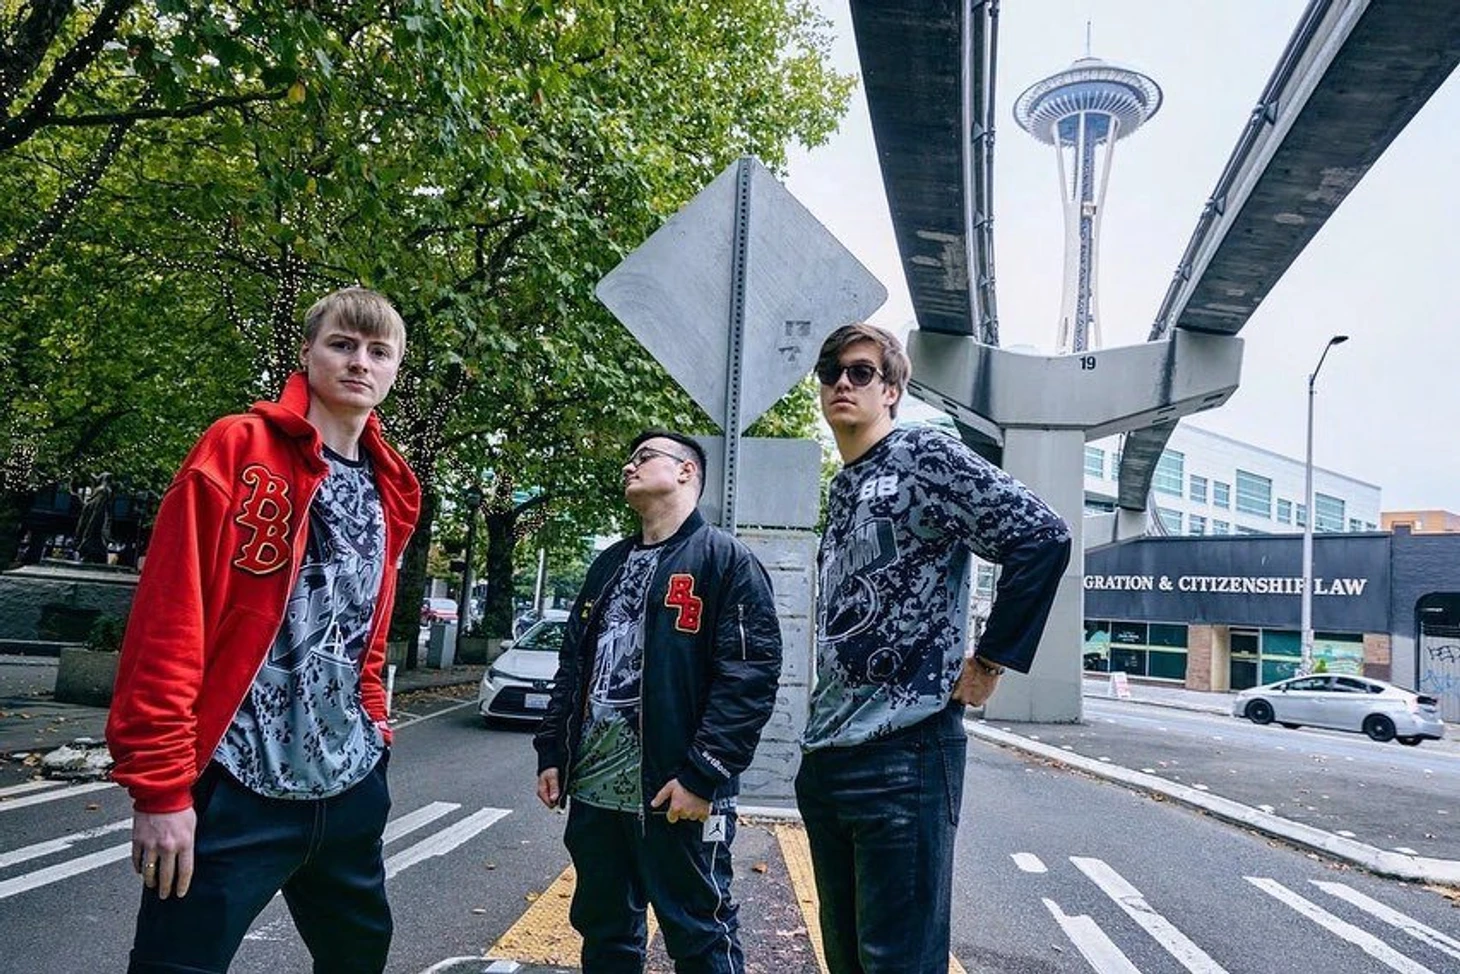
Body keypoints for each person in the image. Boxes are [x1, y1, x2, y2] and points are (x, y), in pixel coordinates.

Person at [106, 287, 421, 973]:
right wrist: (162, 790)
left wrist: (375, 723)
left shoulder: (392, 486)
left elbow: (363, 631)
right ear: (307, 353)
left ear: (395, 370)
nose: (360, 362)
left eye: (379, 351)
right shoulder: (238, 447)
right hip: (236, 784)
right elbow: (170, 620)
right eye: (342, 344)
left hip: (349, 786)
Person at [796, 323, 1072, 974]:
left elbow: (1042, 537)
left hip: (905, 755)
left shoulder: (922, 455)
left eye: (861, 371)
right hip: (829, 757)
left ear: (891, 389)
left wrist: (988, 663)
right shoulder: (844, 487)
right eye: (831, 372)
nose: (841, 382)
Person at [533, 429, 784, 974]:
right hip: (596, 793)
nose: (629, 466)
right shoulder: (608, 564)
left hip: (676, 792)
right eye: (629, 459)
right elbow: (573, 665)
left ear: (686, 471)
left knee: (701, 933)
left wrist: (703, 775)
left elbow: (750, 677)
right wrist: (552, 750)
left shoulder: (726, 561)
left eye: (643, 457)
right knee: (604, 933)